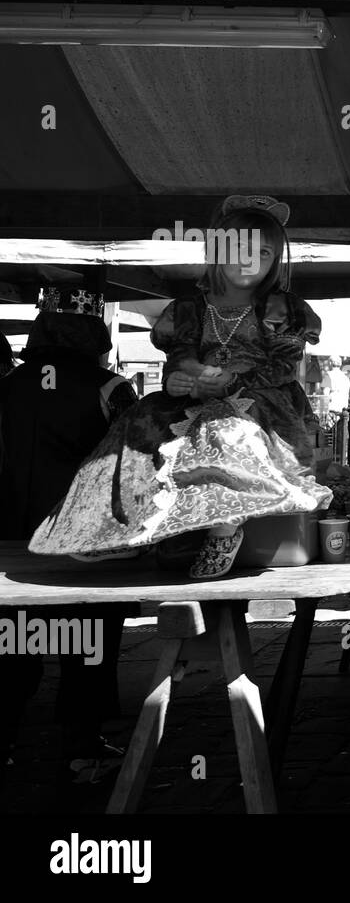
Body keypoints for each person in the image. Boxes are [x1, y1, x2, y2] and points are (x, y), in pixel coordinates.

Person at [27, 195, 332, 579]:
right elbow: (181, 353)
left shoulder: (282, 309)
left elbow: (285, 365)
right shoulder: (189, 309)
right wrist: (180, 377)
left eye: (265, 252)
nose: (250, 259)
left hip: (263, 405)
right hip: (193, 401)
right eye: (239, 248)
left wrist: (233, 382)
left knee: (227, 428)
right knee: (138, 420)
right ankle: (126, 527)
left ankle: (225, 528)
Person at [0, 292, 138, 793]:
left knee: (13, 646)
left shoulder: (6, 386)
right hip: (84, 545)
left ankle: (6, 747)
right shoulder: (112, 387)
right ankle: (82, 751)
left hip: (12, 544)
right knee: (88, 643)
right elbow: (138, 460)